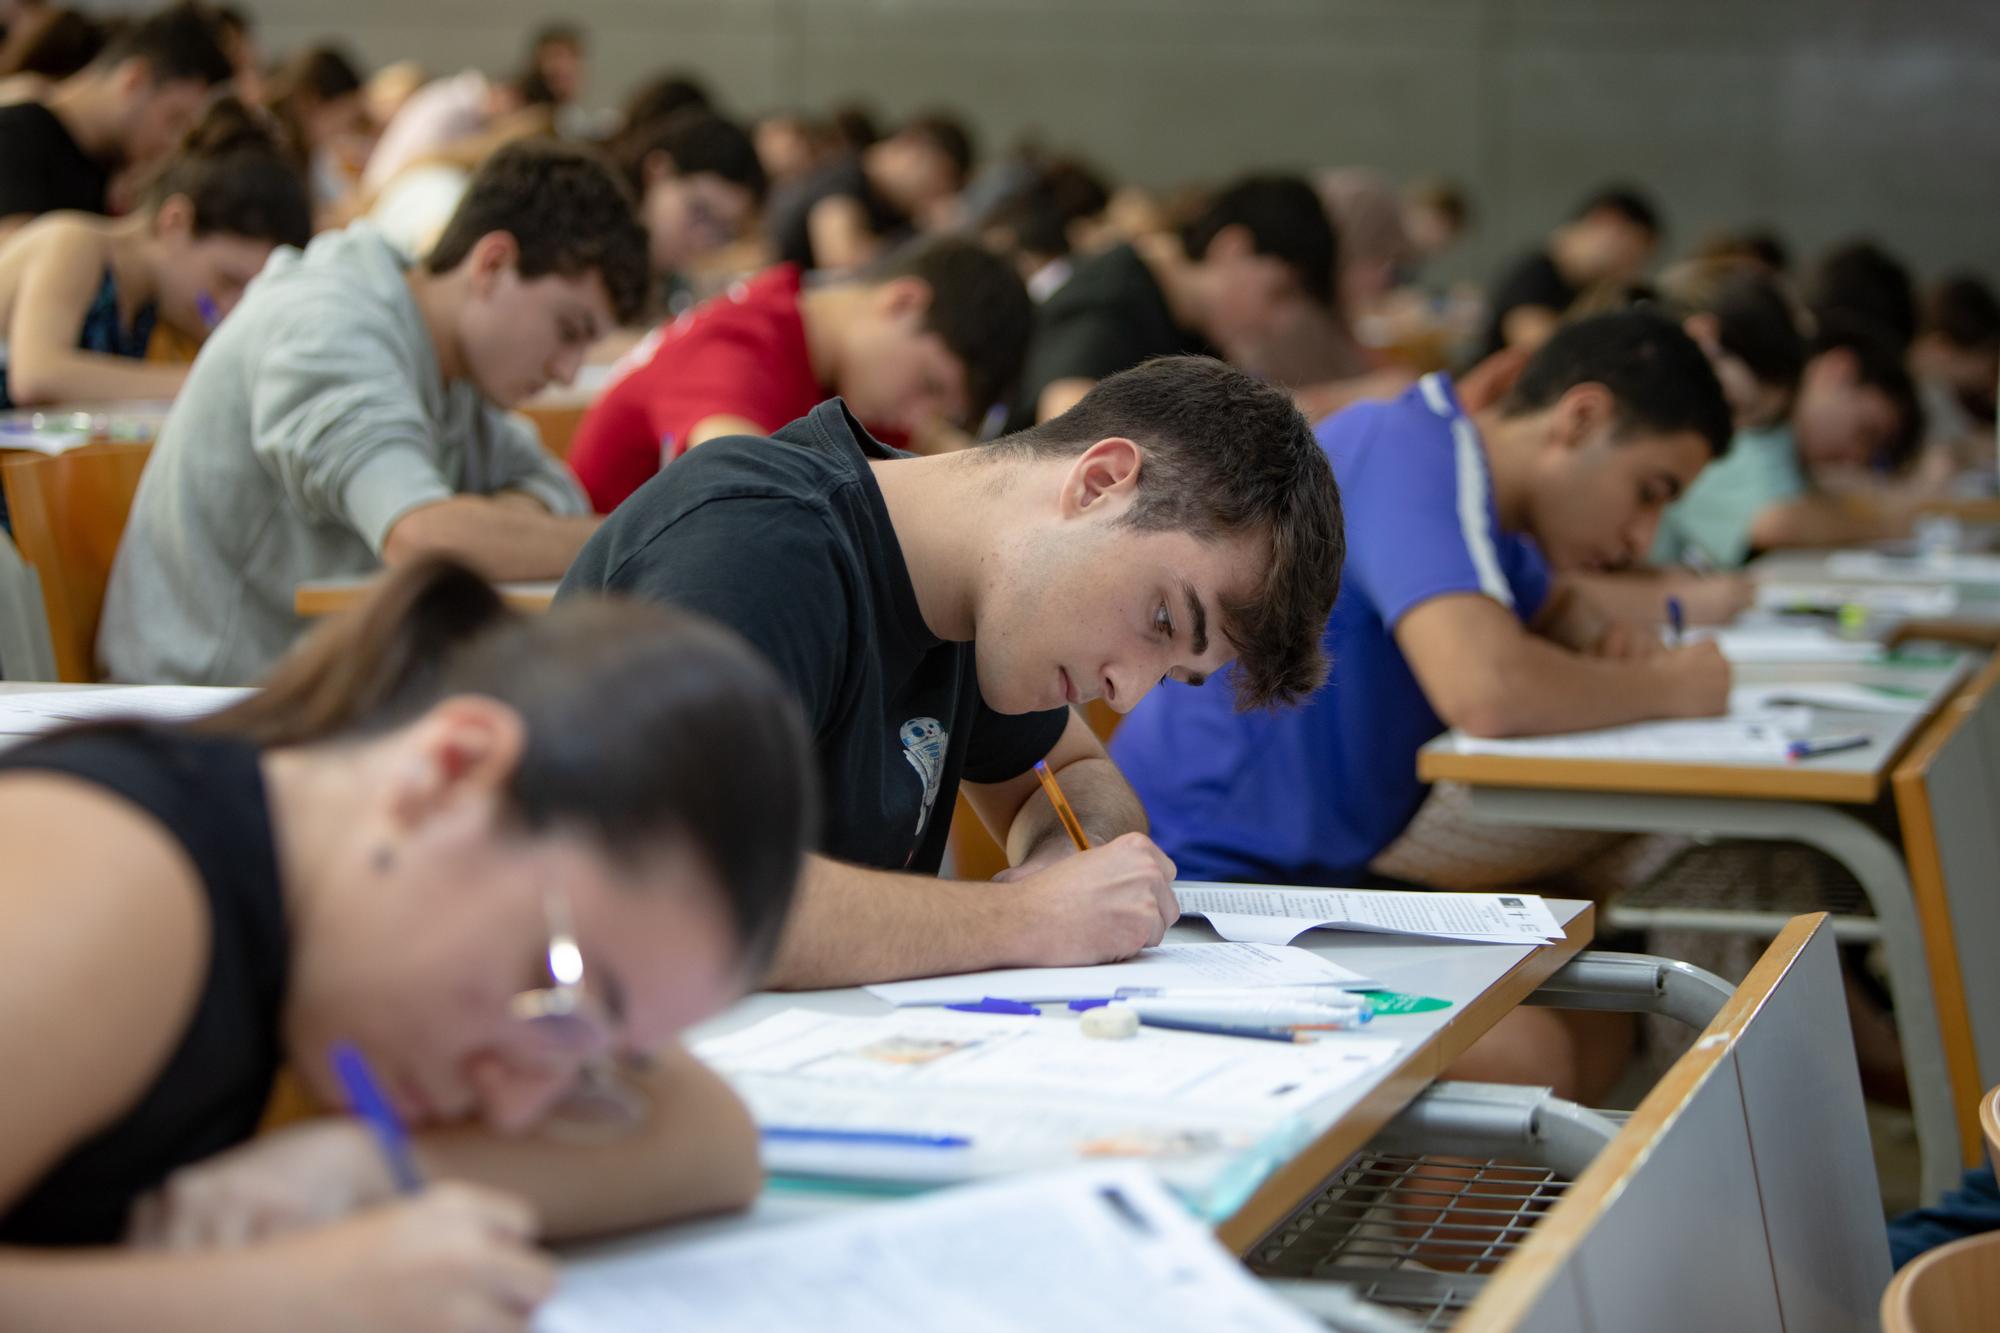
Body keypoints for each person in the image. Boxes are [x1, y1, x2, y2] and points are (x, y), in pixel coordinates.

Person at [0, 556, 816, 1330]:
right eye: (557, 986)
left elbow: (714, 1141)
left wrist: (367, 1164)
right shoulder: (122, 879)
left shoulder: (334, 943)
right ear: (451, 772)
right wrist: (281, 1302)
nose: (515, 1105)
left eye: (594, 1057)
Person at [560, 354, 1344, 989]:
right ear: (1099, 483)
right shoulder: (752, 546)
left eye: (1172, 673)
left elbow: (1070, 771)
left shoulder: (976, 605)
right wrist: (1028, 919)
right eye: (1163, 620)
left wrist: (1070, 859)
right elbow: (686, 896)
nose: (1129, 691)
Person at [1111, 311, 1734, 893]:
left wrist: (1601, 637)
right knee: (1595, 942)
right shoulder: (1404, 448)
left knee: (1640, 888)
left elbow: (1561, 612)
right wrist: (1674, 686)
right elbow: (1489, 690)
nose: (1641, 537)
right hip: (1195, 862)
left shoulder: (1497, 522)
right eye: (1648, 492)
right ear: (1581, 419)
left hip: (1304, 863)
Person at [99, 140, 649, 686]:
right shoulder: (329, 325)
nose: (568, 371)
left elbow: (553, 487)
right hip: (199, 701)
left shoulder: (448, 355)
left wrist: (505, 517)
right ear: (493, 263)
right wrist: (632, 541)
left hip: (302, 685)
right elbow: (422, 535)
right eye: (568, 330)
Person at [568, 237, 1031, 513]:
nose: (920, 415)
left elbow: (955, 465)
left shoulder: (844, 371)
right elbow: (742, 486)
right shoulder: (741, 342)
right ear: (902, 302)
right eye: (929, 385)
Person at [0, 97, 310, 410]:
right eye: (228, 280)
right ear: (175, 222)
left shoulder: (149, 311)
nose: (228, 308)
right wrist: (210, 380)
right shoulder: (73, 244)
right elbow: (37, 376)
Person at [1003, 173, 1336, 430]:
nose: (1275, 323)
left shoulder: (1195, 331)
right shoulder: (1113, 302)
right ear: (1232, 248)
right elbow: (1062, 425)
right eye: (1277, 294)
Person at [1651, 316, 1924, 568]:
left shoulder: (1789, 445)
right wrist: (1883, 524)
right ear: (1839, 370)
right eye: (1865, 432)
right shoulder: (1760, 415)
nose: (1855, 456)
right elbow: (1771, 524)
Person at [0, 2, 230, 239]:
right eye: (174, 121)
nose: (173, 146)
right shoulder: (15, 136)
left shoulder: (108, 172)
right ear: (135, 80)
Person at [767, 111, 973, 272]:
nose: (938, 198)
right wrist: (925, 232)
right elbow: (841, 260)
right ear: (915, 151)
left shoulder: (889, 205)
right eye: (941, 181)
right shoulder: (845, 177)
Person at [1477, 184, 1661, 359]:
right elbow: (1538, 347)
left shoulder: (1585, 284)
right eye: (1629, 255)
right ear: (1608, 221)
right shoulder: (1535, 274)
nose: (1629, 269)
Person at [613, 107, 767, 305]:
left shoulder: (660, 282)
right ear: (658, 172)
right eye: (700, 212)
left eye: (724, 231)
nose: (703, 241)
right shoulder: (595, 260)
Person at [263, 46, 368, 220]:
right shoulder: (273, 155)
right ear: (311, 102)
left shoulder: (308, 155)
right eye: (347, 121)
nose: (346, 133)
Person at [1909, 274, 1999, 469]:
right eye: (1985, 357)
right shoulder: (1910, 394)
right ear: (1942, 348)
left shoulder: (1940, 389)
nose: (1989, 372)